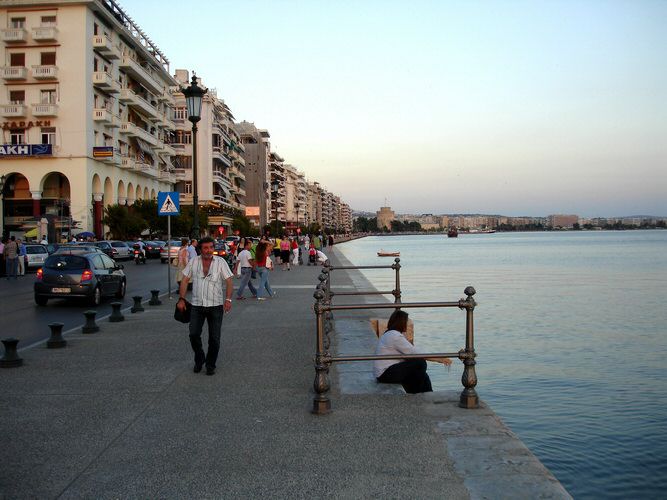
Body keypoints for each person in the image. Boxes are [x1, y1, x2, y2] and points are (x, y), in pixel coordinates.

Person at [177, 236, 234, 376]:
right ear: (200, 249)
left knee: (214, 339)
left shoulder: (220, 262)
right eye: (205, 248)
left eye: (211, 247)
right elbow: (184, 281)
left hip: (215, 306)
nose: (208, 250)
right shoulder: (193, 262)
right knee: (193, 334)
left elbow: (229, 281)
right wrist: (181, 299)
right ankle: (199, 358)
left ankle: (210, 364)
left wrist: (228, 299)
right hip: (197, 305)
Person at [374, 310, 451, 394]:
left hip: (385, 372)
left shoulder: (390, 334)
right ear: (401, 323)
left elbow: (412, 352)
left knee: (423, 374)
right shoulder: (395, 336)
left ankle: (429, 395)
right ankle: (415, 393)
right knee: (420, 363)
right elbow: (415, 353)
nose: (407, 324)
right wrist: (440, 359)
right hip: (385, 374)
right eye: (406, 322)